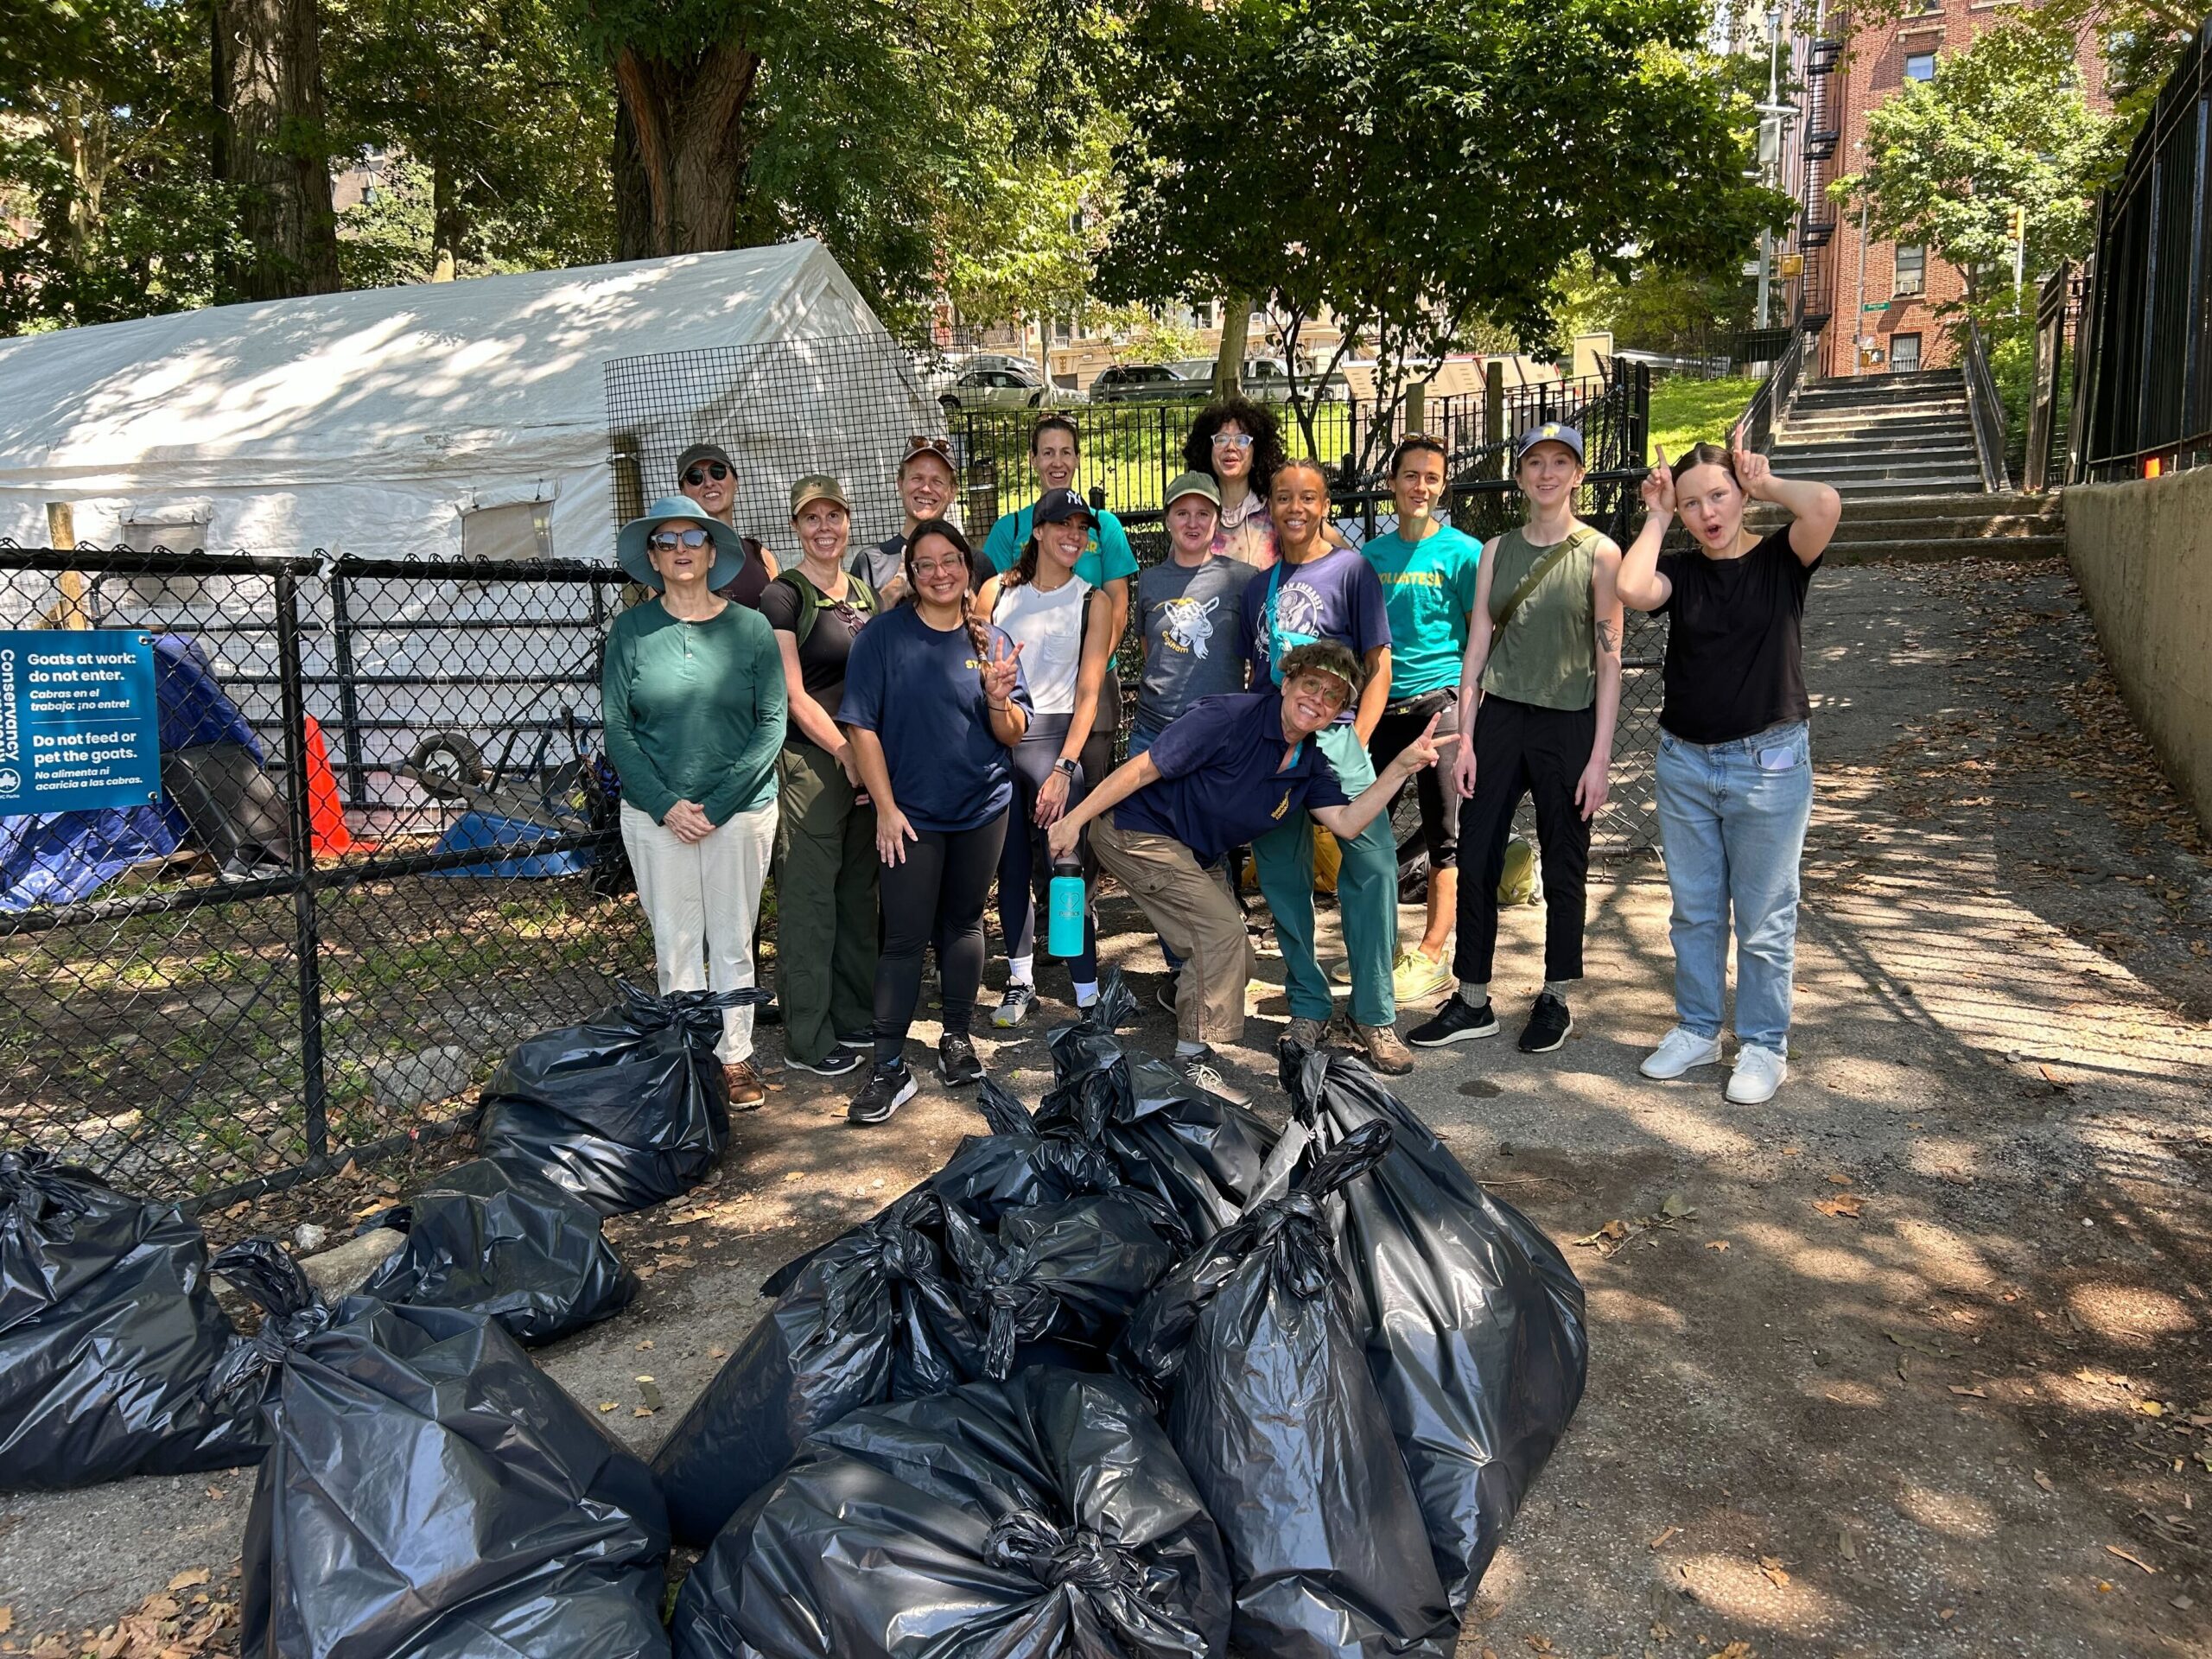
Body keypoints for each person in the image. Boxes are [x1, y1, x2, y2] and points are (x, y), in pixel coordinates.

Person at [1049, 643, 1444, 1101]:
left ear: (1338, 713)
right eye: (1311, 683)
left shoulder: (1309, 762)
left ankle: (1190, 995)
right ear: (1287, 682)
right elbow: (1142, 769)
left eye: (1332, 696)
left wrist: (1399, 768)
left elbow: (1348, 822)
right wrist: (1074, 820)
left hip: (1193, 852)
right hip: (1136, 833)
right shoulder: (1229, 717)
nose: (1317, 699)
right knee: (1218, 938)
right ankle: (1191, 1064)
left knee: (1237, 958)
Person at [1615, 442, 1840, 1105]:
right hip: (1685, 762)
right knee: (1695, 911)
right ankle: (1698, 1030)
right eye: (1692, 504)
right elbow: (1631, 588)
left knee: (1765, 916)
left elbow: (1825, 505)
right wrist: (1657, 515)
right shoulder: (1682, 572)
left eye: (1718, 495)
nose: (1707, 513)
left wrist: (1767, 485)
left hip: (1769, 762)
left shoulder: (1781, 559)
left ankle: (1764, 1045)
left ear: (1740, 494)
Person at [1411, 422, 1624, 1057]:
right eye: (1535, 462)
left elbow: (1609, 658)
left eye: (1560, 462)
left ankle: (1555, 995)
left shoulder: (1600, 553)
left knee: (1564, 863)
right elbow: (1477, 644)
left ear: (1578, 474)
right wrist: (1469, 739)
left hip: (1568, 721)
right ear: (1521, 474)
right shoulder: (1496, 551)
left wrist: (1600, 758)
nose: (1547, 473)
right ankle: (1473, 998)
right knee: (1475, 856)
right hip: (1499, 718)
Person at [838, 518, 1033, 1126]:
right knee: (904, 936)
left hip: (982, 808)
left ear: (967, 568)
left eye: (951, 560)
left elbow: (1013, 734)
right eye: (926, 564)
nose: (940, 573)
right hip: (911, 816)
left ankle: (956, 1037)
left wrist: (999, 699)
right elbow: (861, 726)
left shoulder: (993, 641)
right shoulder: (882, 638)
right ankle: (889, 1067)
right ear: (912, 574)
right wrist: (886, 807)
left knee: (965, 923)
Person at [601, 498, 788, 1108]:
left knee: (732, 939)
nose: (680, 549)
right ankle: (687, 1057)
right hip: (657, 817)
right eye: (666, 540)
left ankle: (733, 1057)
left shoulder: (751, 629)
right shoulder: (631, 631)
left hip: (740, 811)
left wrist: (717, 804)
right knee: (676, 942)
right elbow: (617, 727)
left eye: (692, 538)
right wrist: (665, 804)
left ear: (712, 552)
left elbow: (772, 722)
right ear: (653, 558)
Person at [1241, 456, 1413, 1075]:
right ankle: (1308, 1003)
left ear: (1325, 505)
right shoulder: (1255, 587)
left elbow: (1378, 665)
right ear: (1270, 506)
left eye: (1308, 497)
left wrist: (1358, 740)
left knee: (1373, 869)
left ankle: (1374, 1013)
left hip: (1340, 742)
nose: (1296, 508)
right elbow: (1252, 675)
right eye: (1284, 497)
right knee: (1282, 877)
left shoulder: (1352, 570)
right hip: (1276, 746)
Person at [974, 489, 1120, 1025]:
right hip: (1002, 740)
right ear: (1037, 531)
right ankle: (1020, 981)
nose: (1074, 536)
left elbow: (1089, 693)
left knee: (1066, 870)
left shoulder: (1093, 601)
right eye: (1063, 525)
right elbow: (974, 666)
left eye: (1082, 528)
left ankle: (1086, 994)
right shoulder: (996, 592)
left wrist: (1064, 768)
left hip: (1058, 747)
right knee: (1011, 866)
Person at [758, 474, 881, 1080]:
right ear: (796, 527)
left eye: (834, 515)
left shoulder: (863, 592)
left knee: (858, 894)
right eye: (812, 518)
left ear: (848, 521)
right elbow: (792, 693)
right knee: (809, 900)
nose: (824, 528)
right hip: (812, 761)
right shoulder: (784, 595)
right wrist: (844, 752)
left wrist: (873, 757)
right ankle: (806, 1035)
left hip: (866, 761)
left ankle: (854, 1014)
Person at [1360, 433, 1483, 1006]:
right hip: (1382, 710)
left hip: (1441, 709)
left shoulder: (1464, 553)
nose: (1421, 487)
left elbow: (1479, 637)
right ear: (1392, 483)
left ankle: (1432, 955)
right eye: (1411, 475)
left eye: (1432, 478)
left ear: (1443, 486)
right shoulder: (1370, 558)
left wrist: (1469, 709)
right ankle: (1379, 947)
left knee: (1444, 836)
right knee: (1369, 834)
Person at [981, 415, 1137, 647]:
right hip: (1021, 663)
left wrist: (1094, 663)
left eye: (1066, 452)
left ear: (1077, 459)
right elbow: (992, 608)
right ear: (1033, 459)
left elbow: (1118, 609)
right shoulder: (1009, 528)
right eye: (1048, 453)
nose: (1057, 462)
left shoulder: (1104, 525)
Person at [1182, 395, 1288, 569]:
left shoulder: (1277, 511)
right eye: (1221, 439)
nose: (1231, 447)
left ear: (1257, 454)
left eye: (1242, 440)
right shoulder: (1195, 518)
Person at [850, 435, 957, 604]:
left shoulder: (973, 562)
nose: (926, 489)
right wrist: (896, 587)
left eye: (937, 481)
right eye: (917, 479)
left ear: (952, 492)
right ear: (900, 484)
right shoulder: (870, 563)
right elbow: (858, 621)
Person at [674, 442, 779, 607]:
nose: (709, 483)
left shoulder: (762, 557)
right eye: (695, 477)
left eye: (718, 472)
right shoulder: (673, 558)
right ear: (683, 492)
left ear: (736, 481)